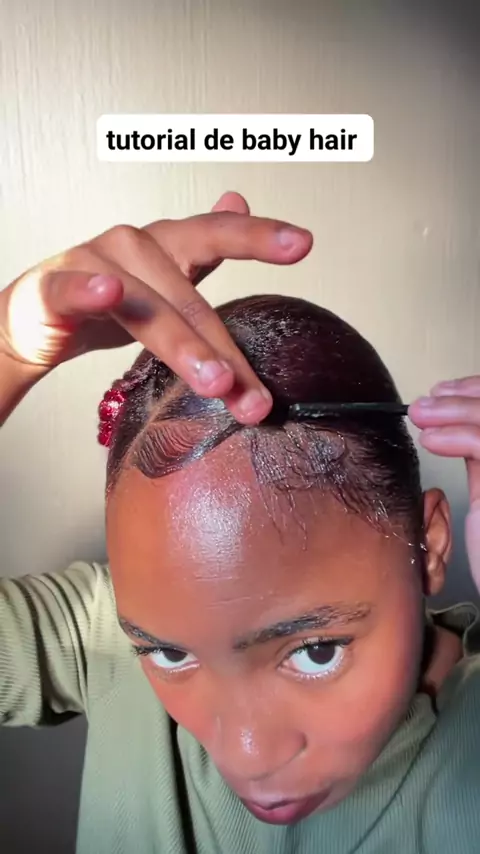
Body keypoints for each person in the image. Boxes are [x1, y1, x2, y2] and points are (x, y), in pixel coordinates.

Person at [1, 192, 480, 854]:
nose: (247, 755)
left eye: (317, 651)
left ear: (429, 545)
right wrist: (8, 350)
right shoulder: (103, 639)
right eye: (171, 655)